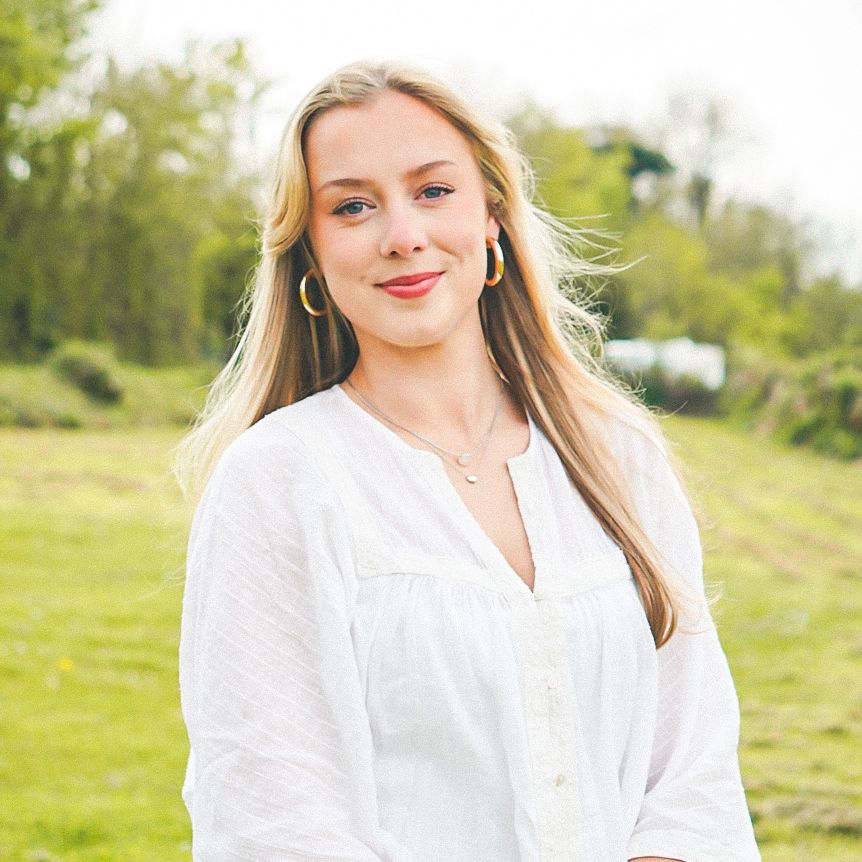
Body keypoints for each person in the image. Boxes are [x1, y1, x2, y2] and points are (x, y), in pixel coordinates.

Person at [173, 60, 761, 862]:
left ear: (492, 215)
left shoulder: (620, 457)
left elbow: (692, 776)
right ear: (310, 253)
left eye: (433, 191)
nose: (403, 234)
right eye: (352, 206)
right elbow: (272, 818)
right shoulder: (278, 482)